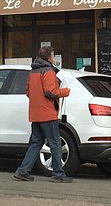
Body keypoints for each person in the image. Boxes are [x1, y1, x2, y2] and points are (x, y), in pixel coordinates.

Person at [13, 46, 72, 183]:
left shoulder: (33, 71)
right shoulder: (49, 71)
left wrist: (37, 101)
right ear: (49, 57)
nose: (54, 57)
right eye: (53, 55)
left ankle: (23, 171)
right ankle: (58, 173)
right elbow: (50, 92)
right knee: (55, 143)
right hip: (48, 114)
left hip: (35, 113)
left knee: (36, 143)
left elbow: (28, 91)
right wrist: (65, 92)